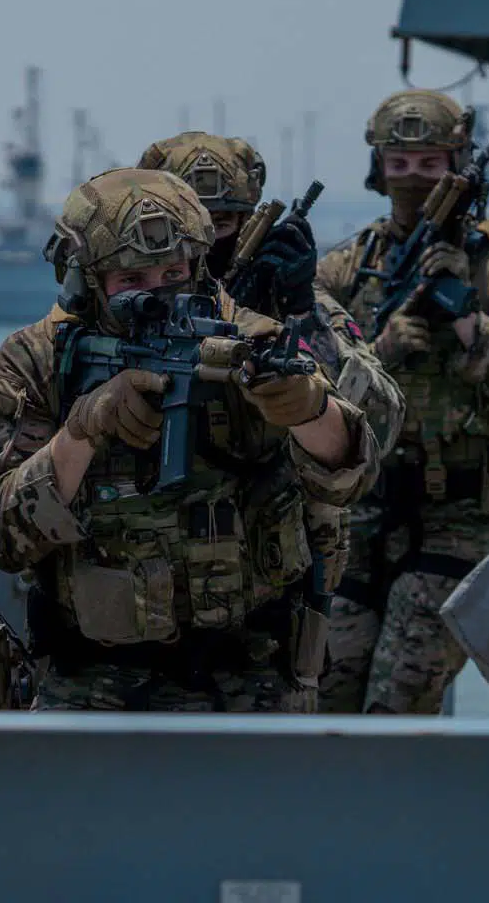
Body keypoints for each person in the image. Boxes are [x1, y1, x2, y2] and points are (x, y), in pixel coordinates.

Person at [0, 167, 379, 711]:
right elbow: (0, 536)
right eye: (131, 281)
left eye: (173, 273)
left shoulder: (252, 337)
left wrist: (308, 410)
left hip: (251, 674)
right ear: (86, 282)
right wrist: (81, 432)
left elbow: (352, 478)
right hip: (92, 682)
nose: (158, 295)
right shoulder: (38, 361)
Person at [312, 89, 489, 714]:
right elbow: (306, 389)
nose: (414, 178)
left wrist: (469, 321)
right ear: (378, 168)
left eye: (430, 164)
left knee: (397, 701)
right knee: (327, 694)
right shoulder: (346, 268)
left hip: (461, 516)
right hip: (361, 514)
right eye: (399, 163)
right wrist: (380, 353)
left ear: (456, 165)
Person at [137, 131, 406, 615]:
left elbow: (380, 425)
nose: (205, 244)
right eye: (188, 227)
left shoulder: (295, 306)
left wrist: (299, 315)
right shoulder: (127, 311)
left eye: (221, 223)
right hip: (144, 582)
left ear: (248, 224)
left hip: (269, 584)